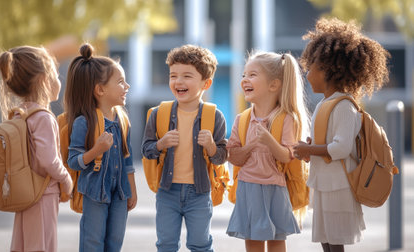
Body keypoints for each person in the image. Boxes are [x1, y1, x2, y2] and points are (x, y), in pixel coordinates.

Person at [294, 18, 390, 252]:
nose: (306, 76)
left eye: (311, 69)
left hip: (339, 185)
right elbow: (326, 143)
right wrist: (311, 149)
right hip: (325, 183)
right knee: (326, 239)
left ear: (328, 70)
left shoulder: (344, 107)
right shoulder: (325, 104)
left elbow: (340, 148)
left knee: (335, 240)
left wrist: (310, 150)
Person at [141, 44, 227, 252]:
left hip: (199, 192)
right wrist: (161, 144)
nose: (178, 81)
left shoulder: (214, 116)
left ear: (206, 83)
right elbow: (146, 149)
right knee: (166, 245)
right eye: (173, 76)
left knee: (200, 245)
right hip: (167, 191)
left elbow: (222, 157)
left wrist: (212, 147)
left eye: (187, 76)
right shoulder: (158, 113)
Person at [0, 46, 73, 252]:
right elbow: (48, 159)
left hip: (24, 194)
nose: (59, 81)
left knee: (23, 244)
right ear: (44, 79)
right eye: (56, 74)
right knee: (42, 245)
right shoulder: (43, 117)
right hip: (43, 195)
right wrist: (66, 179)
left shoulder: (19, 115)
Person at [226, 51, 309, 252]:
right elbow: (233, 156)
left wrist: (269, 141)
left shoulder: (287, 118)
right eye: (244, 75)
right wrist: (250, 146)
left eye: (252, 75)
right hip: (248, 187)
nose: (245, 79)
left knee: (277, 239)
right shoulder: (242, 119)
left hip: (275, 188)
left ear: (274, 85)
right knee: (252, 239)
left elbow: (287, 156)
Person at [65, 43, 137, 252]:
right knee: (93, 243)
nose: (127, 86)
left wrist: (131, 189)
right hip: (95, 192)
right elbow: (73, 161)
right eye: (121, 82)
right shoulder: (84, 122)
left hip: (120, 193)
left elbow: (127, 159)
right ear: (100, 89)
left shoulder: (122, 120)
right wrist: (96, 151)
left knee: (114, 243)